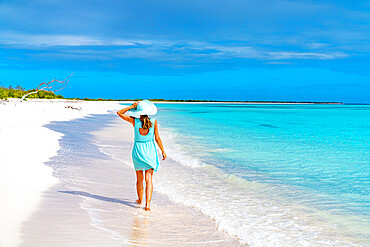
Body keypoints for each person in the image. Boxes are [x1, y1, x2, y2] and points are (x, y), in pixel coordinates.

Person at [117, 100, 166, 211]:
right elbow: (157, 138)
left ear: (138, 111)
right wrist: (163, 151)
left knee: (139, 178)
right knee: (149, 179)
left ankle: (140, 200)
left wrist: (131, 107)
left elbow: (119, 113)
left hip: (138, 151)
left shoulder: (134, 121)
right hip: (150, 151)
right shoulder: (153, 122)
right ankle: (147, 205)